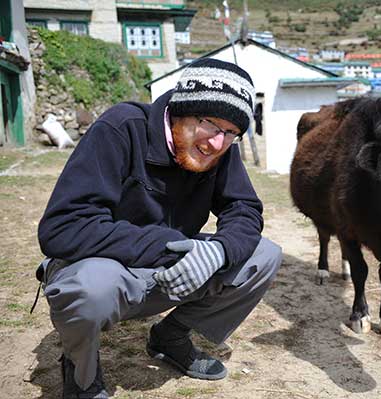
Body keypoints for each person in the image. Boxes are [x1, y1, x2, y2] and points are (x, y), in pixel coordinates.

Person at [35, 58, 283, 398]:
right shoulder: (120, 129)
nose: (217, 144)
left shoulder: (220, 148)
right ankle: (82, 374)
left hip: (172, 269)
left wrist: (218, 251)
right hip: (109, 268)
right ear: (183, 110)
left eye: (231, 133)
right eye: (210, 124)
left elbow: (244, 208)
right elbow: (62, 227)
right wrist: (169, 246)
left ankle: (171, 336)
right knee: (89, 289)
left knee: (264, 255)